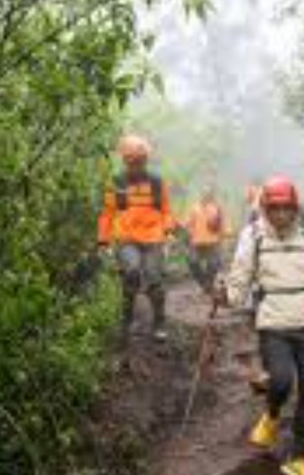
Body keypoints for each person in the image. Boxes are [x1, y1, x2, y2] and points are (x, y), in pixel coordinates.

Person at [215, 176, 304, 475]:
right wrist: (224, 295)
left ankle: (296, 455)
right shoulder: (255, 238)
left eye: (287, 208)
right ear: (265, 208)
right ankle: (272, 414)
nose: (282, 214)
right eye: (275, 208)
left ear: (295, 208)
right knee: (283, 380)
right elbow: (239, 283)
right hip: (273, 322)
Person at [97, 134, 177, 341]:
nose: (136, 165)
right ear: (125, 160)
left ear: (145, 160)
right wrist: (103, 241)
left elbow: (166, 210)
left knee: (155, 279)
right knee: (130, 272)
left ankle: (159, 323)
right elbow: (107, 214)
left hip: (154, 237)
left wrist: (168, 233)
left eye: (140, 161)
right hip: (126, 238)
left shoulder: (157, 182)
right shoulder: (116, 182)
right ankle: (127, 320)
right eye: (132, 161)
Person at [185, 185, 231, 295]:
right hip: (196, 242)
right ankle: (204, 284)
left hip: (213, 242)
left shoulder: (217, 208)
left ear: (211, 195)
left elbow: (224, 223)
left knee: (213, 265)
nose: (205, 195)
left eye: (208, 193)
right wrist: (184, 230)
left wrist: (226, 232)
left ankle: (208, 285)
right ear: (201, 194)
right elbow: (187, 223)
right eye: (203, 193)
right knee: (192, 262)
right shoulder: (194, 208)